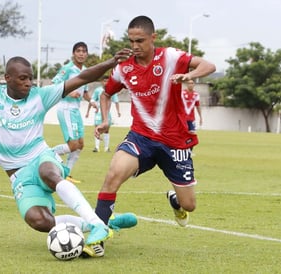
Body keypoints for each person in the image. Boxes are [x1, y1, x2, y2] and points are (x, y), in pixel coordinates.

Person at [0, 29, 137, 258]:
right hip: (18, 176)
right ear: (8, 78)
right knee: (39, 220)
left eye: (30, 78)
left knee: (49, 172)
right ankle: (99, 223)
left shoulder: (40, 95)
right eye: (23, 78)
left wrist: (111, 61)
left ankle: (96, 224)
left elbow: (83, 77)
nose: (29, 83)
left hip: (41, 157)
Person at [92, 15, 216, 252]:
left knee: (189, 205)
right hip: (141, 138)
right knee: (112, 176)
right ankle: (98, 237)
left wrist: (188, 76)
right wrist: (106, 120)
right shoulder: (124, 68)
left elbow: (209, 66)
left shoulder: (171, 57)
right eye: (131, 41)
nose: (135, 46)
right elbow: (106, 93)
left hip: (176, 142)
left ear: (153, 37)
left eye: (140, 40)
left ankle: (175, 201)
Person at [52, 42, 92, 184]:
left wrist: (91, 101)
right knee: (73, 144)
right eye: (78, 51)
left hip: (75, 110)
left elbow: (85, 91)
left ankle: (66, 173)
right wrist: (69, 92)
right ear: (73, 53)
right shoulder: (68, 68)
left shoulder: (86, 71)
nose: (81, 53)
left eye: (84, 51)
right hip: (66, 108)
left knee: (80, 144)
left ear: (87, 54)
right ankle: (49, 154)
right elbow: (55, 83)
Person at [85, 76, 121, 152]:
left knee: (106, 130)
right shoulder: (98, 90)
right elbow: (92, 100)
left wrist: (118, 111)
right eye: (104, 81)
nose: (106, 83)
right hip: (98, 113)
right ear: (101, 81)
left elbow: (116, 101)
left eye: (107, 81)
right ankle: (96, 147)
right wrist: (88, 111)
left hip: (107, 113)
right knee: (97, 128)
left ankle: (106, 148)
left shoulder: (112, 90)